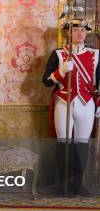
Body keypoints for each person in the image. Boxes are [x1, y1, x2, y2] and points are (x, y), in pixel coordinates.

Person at [42, 20, 99, 197]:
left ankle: (78, 184)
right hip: (63, 101)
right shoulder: (59, 54)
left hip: (87, 103)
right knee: (63, 143)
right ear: (69, 33)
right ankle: (62, 185)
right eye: (76, 31)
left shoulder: (96, 54)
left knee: (82, 144)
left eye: (83, 30)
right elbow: (46, 81)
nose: (80, 33)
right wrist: (61, 71)